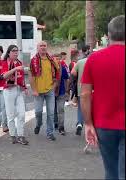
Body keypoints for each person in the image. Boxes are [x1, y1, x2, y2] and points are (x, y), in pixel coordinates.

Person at [81, 15, 125, 180]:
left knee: (111, 171)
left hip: (104, 124)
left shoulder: (94, 59)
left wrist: (88, 123)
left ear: (109, 35)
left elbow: (85, 94)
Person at [29, 41, 59, 141]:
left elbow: (57, 73)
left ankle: (50, 132)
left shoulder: (51, 60)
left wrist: (54, 86)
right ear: (37, 48)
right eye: (41, 46)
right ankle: (38, 124)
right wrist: (34, 90)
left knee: (50, 113)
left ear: (47, 47)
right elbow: (31, 77)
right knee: (38, 112)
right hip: (38, 91)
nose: (43, 47)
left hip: (50, 90)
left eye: (44, 45)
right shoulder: (33, 60)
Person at [1, 45, 29, 144]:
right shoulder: (5, 63)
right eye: (13, 51)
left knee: (21, 114)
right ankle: (13, 135)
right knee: (10, 114)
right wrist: (15, 69)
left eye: (17, 51)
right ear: (9, 53)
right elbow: (4, 76)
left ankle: (21, 135)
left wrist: (24, 87)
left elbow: (21, 77)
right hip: (9, 90)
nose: (16, 53)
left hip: (19, 90)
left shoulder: (19, 62)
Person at [53, 53, 69, 135]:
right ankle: (55, 123)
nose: (58, 60)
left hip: (61, 92)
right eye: (56, 59)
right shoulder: (50, 69)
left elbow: (66, 79)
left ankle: (61, 127)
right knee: (53, 110)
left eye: (59, 59)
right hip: (51, 92)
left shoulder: (63, 68)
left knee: (60, 109)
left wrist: (67, 91)